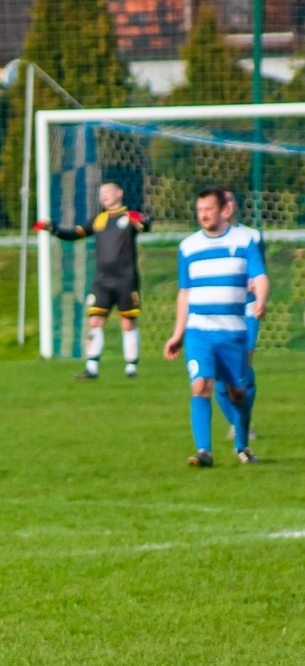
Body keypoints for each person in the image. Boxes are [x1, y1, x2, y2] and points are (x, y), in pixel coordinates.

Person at [163, 187, 267, 467]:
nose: (204, 215)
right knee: (200, 385)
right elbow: (184, 293)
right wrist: (177, 334)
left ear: (223, 210)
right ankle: (204, 452)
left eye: (209, 209)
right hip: (199, 331)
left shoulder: (246, 240)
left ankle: (242, 446)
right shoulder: (188, 247)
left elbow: (260, 275)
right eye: (200, 210)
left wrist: (262, 300)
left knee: (237, 392)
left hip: (233, 331)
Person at [34, 182, 148, 379]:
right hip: (102, 280)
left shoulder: (129, 217)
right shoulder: (98, 220)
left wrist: (142, 221)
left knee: (128, 322)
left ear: (119, 193)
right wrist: (52, 228)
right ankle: (92, 367)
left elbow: (145, 224)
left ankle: (131, 367)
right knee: (95, 321)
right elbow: (74, 234)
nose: (103, 196)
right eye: (101, 193)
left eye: (108, 192)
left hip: (126, 280)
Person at [214, 188, 263, 446]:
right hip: (221, 313)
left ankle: (243, 423)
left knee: (243, 366)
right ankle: (239, 422)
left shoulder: (251, 236)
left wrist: (257, 283)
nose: (227, 204)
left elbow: (260, 271)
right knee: (221, 378)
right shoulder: (206, 240)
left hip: (248, 310)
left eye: (231, 199)